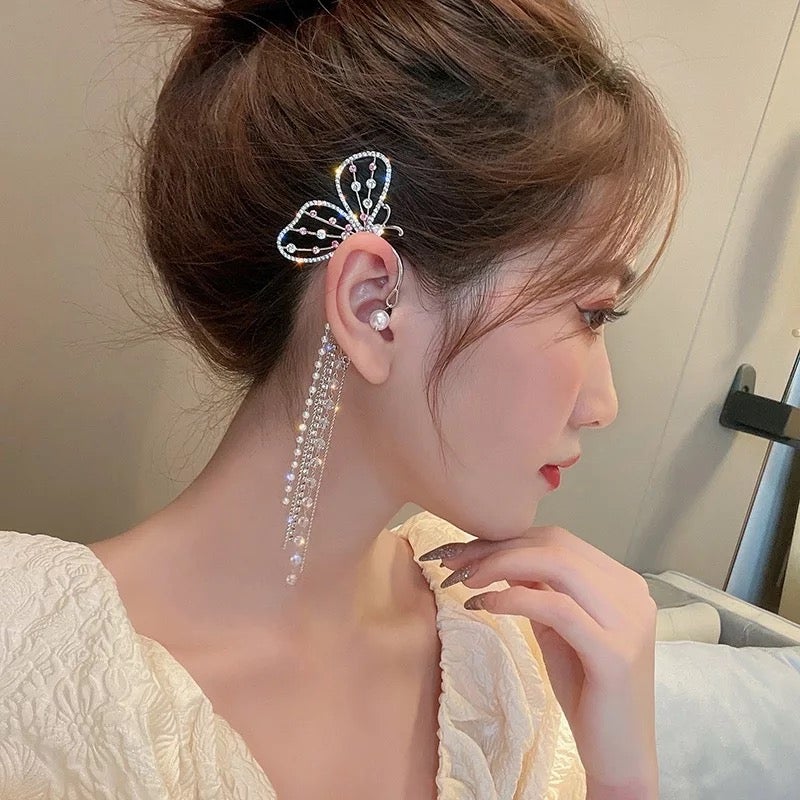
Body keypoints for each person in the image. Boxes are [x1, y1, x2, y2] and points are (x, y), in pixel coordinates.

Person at [0, 0, 686, 797]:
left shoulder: (502, 646)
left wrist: (623, 777)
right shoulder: (28, 673)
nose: (602, 405)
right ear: (371, 306)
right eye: (591, 313)